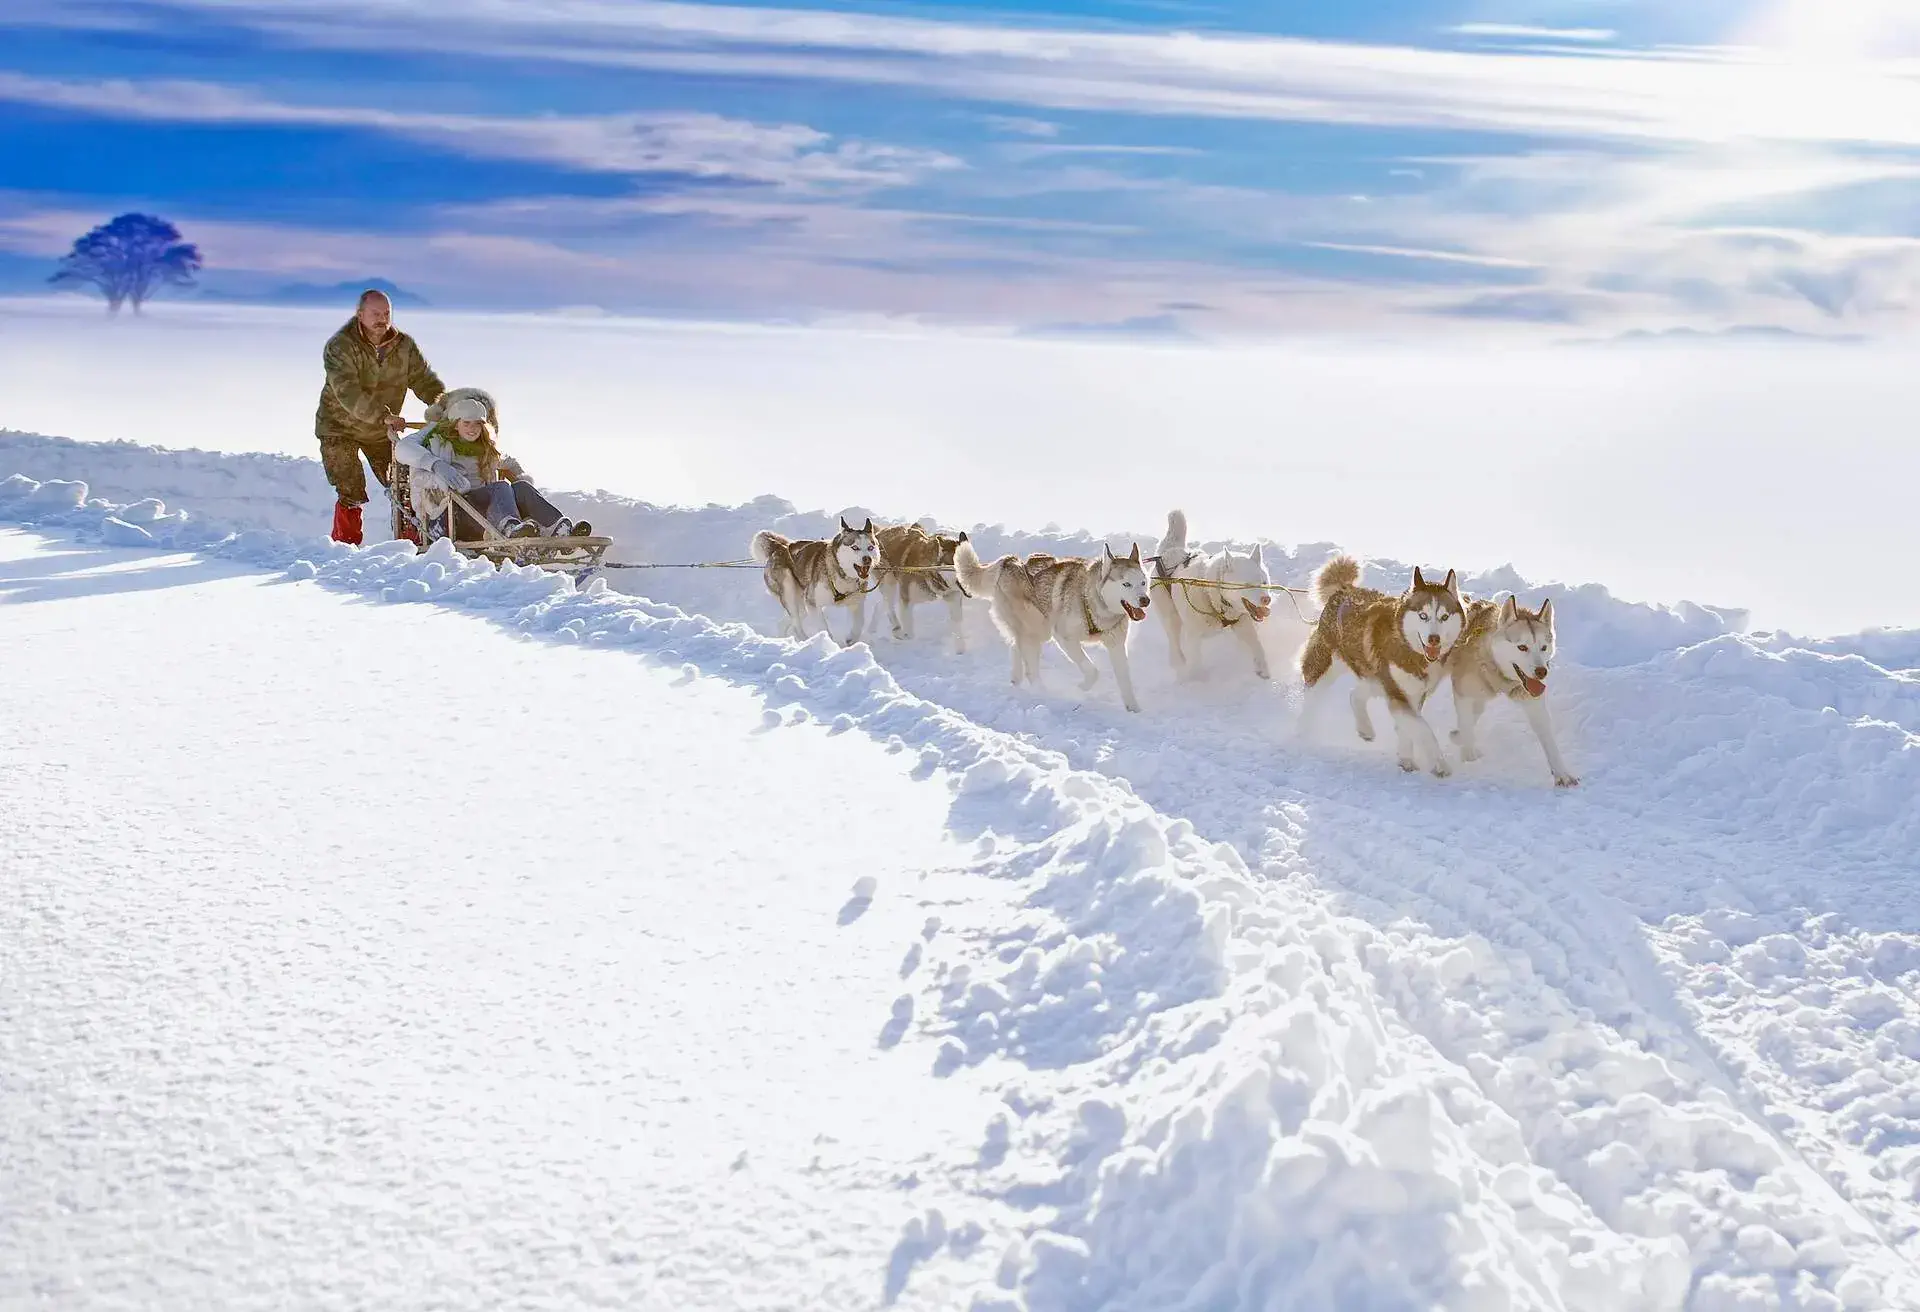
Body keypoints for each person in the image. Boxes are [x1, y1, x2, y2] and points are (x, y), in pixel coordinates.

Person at [315, 289, 446, 545]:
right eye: (375, 314)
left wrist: (444, 406)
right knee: (350, 488)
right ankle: (345, 546)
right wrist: (382, 416)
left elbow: (424, 380)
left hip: (380, 431)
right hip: (339, 428)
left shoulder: (404, 346)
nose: (382, 319)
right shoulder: (340, 346)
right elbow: (348, 392)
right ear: (360, 314)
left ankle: (413, 542)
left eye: (386, 313)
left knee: (404, 484)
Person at [393, 388, 592, 541]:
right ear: (455, 423)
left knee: (519, 488)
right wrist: (438, 469)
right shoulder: (436, 441)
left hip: (481, 514)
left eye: (477, 424)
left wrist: (521, 481)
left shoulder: (485, 447)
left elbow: (509, 462)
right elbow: (404, 450)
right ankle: (509, 528)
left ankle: (559, 528)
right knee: (500, 487)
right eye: (466, 423)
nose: (472, 429)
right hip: (449, 515)